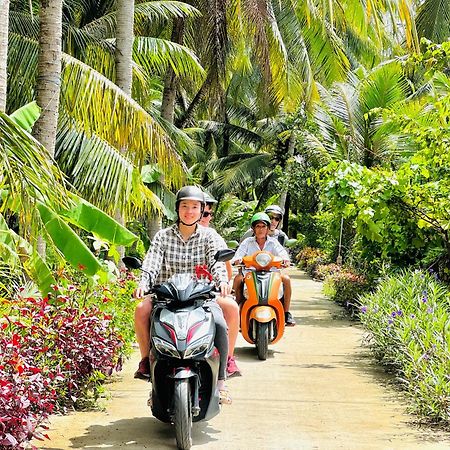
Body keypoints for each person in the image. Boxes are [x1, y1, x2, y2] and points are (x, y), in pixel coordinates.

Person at [133, 186, 232, 404]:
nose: (189, 211)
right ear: (177, 208)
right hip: (165, 297)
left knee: (222, 322)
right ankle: (146, 363)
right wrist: (143, 283)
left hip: (200, 298)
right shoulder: (163, 236)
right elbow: (152, 262)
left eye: (195, 207)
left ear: (202, 210)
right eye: (185, 206)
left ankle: (223, 377)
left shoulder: (209, 236)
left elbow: (216, 263)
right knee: (141, 311)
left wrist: (222, 281)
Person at [200, 192, 241, 377]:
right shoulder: (171, 236)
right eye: (199, 211)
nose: (201, 217)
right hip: (177, 295)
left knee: (232, 307)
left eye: (206, 214)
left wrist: (222, 283)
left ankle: (228, 359)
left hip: (206, 294)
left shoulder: (214, 238)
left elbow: (225, 270)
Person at [232, 212, 296, 327]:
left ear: (267, 229)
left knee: (286, 279)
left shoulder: (273, 242)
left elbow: (282, 253)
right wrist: (238, 260)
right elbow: (238, 255)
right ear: (253, 229)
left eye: (263, 226)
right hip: (251, 274)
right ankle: (237, 308)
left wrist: (285, 260)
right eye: (258, 226)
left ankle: (286, 313)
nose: (261, 229)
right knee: (237, 279)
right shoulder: (247, 242)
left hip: (271, 274)